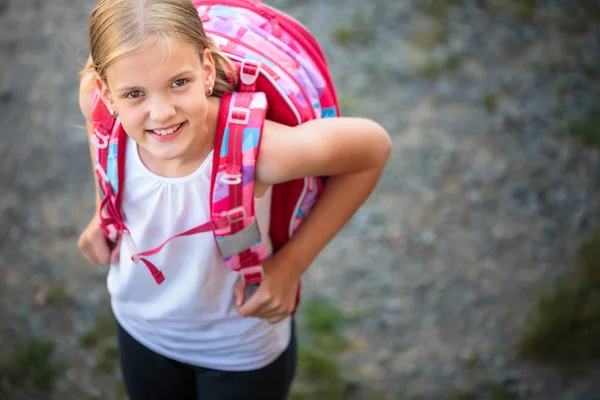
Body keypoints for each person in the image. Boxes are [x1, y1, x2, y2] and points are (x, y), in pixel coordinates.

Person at [77, 0, 391, 399]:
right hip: (141, 328)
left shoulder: (256, 149)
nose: (161, 112)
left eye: (178, 82)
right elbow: (92, 112)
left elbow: (373, 150)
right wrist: (102, 204)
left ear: (206, 70)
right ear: (108, 91)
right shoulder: (97, 99)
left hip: (239, 349)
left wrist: (292, 264)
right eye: (135, 93)